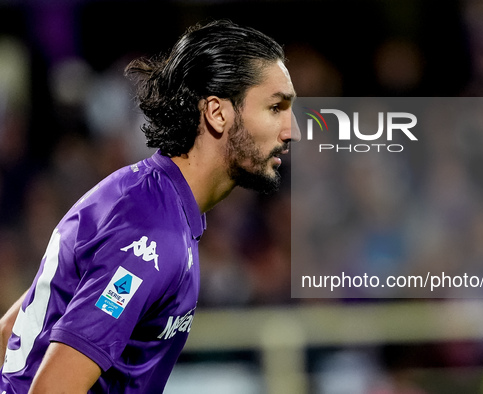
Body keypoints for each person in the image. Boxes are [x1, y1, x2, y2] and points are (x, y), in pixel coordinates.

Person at [0, 20, 300, 393]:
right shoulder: (151, 231)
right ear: (217, 113)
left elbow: (15, 332)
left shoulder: (144, 198)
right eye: (275, 108)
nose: (292, 130)